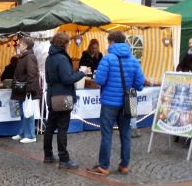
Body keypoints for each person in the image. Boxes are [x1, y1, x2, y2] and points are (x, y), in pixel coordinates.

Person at [88, 31, 145, 175]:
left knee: (107, 134)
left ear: (112, 42)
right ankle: (124, 165)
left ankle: (104, 166)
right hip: (128, 101)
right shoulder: (133, 60)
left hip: (109, 102)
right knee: (125, 134)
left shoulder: (108, 59)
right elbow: (139, 84)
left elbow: (99, 80)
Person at [43, 32, 85, 169]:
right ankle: (64, 159)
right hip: (64, 96)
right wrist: (81, 72)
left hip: (52, 95)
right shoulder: (61, 58)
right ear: (64, 44)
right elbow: (67, 79)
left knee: (50, 126)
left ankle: (48, 155)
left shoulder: (50, 58)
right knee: (62, 127)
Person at [11, 37, 41, 144]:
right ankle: (23, 133)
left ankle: (30, 135)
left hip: (26, 90)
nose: (19, 45)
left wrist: (29, 90)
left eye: (21, 44)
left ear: (26, 46)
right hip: (22, 89)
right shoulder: (25, 57)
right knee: (24, 113)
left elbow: (32, 74)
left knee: (28, 112)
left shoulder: (29, 57)